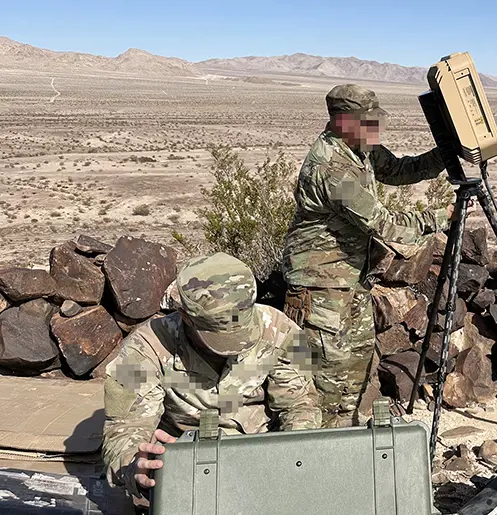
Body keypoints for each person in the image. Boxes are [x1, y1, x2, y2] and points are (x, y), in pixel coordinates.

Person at [282, 83, 459, 428]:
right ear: (344, 121)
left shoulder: (358, 148)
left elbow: (398, 171)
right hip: (321, 288)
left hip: (350, 280)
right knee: (328, 379)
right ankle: (319, 454)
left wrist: (446, 153)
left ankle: (348, 442)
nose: (376, 129)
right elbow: (383, 224)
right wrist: (441, 217)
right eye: (369, 122)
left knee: (358, 370)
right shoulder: (332, 168)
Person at [101, 252, 321, 500]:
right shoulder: (144, 348)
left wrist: (297, 458)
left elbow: (301, 405)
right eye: (220, 338)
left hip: (262, 457)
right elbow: (123, 429)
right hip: (184, 467)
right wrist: (134, 467)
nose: (235, 348)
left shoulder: (285, 332)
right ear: (186, 316)